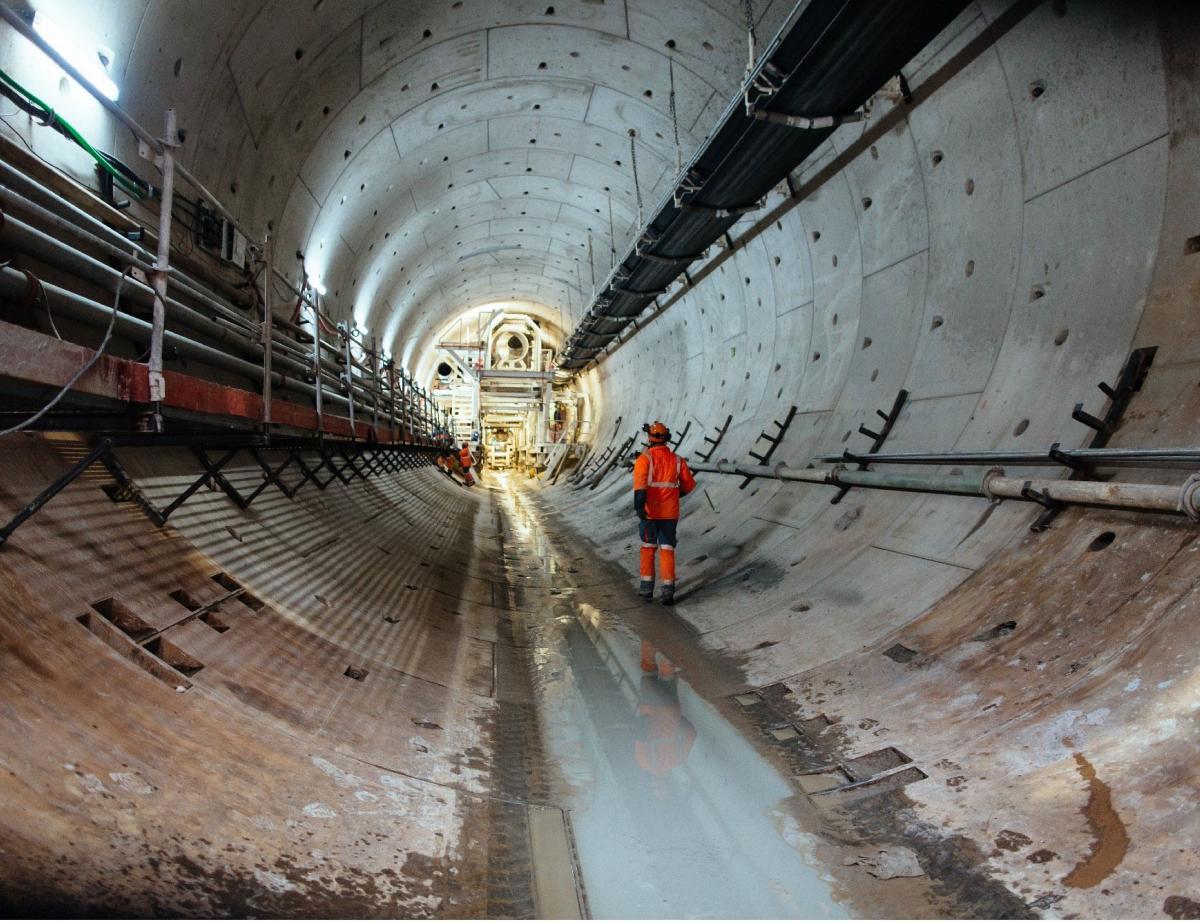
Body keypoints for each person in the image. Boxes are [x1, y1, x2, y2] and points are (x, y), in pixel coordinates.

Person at [632, 421, 696, 605]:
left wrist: (639, 507)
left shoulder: (644, 459)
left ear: (650, 437)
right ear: (666, 438)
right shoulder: (677, 460)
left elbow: (640, 486)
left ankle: (646, 590)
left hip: (650, 513)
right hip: (670, 514)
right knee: (667, 550)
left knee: (648, 548)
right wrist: (675, 495)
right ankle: (668, 591)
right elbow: (689, 485)